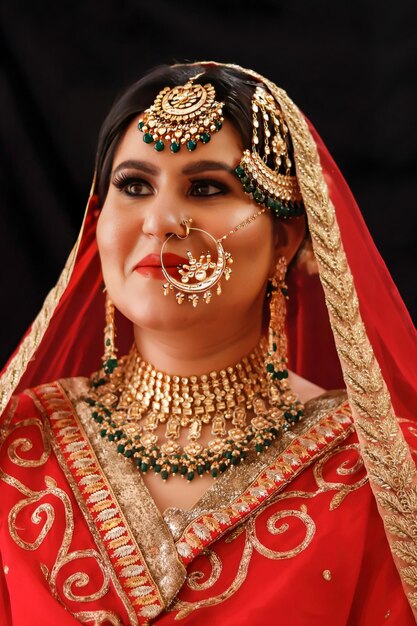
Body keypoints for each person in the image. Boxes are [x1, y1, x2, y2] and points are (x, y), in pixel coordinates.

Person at [0, 61, 416, 626]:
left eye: (205, 188)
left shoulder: (378, 474)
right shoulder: (17, 449)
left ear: (284, 240)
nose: (161, 220)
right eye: (135, 185)